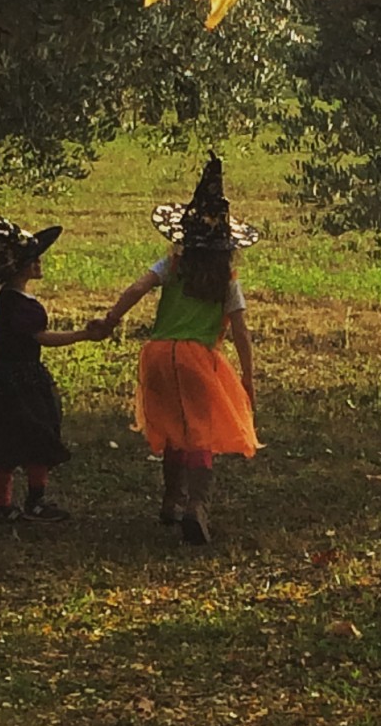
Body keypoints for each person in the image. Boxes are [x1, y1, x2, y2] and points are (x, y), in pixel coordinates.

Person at [95, 153, 260, 545]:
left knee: (171, 429)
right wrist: (249, 377)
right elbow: (240, 330)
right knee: (199, 434)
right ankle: (196, 507)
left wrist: (110, 320)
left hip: (157, 355)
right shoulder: (226, 279)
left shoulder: (172, 265)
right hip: (199, 360)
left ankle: (171, 499)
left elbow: (137, 288)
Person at [0, 202, 104, 523]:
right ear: (22, 267)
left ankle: (6, 503)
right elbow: (42, 338)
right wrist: (82, 335)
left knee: (17, 438)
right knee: (30, 436)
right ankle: (22, 502)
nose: (40, 262)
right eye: (34, 258)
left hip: (8, 377)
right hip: (18, 380)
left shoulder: (13, 299)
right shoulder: (20, 305)